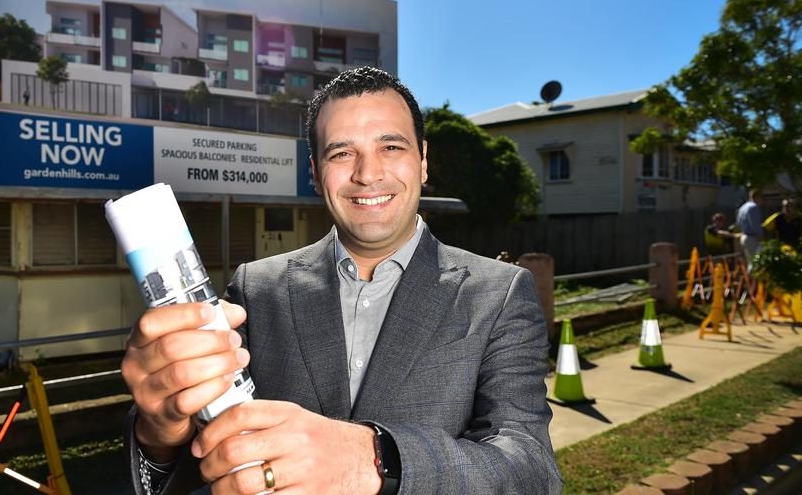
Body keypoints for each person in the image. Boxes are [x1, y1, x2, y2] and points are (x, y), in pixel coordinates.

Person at [121, 67, 562, 494]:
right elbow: (206, 465)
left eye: (391, 147)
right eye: (341, 152)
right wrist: (161, 428)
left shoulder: (501, 292)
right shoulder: (256, 289)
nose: (367, 174)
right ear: (314, 171)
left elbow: (530, 471)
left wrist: (371, 460)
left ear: (423, 161)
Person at [736, 189, 764, 270]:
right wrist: (761, 239)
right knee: (756, 263)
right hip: (752, 238)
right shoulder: (753, 207)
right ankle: (754, 282)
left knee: (749, 262)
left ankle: (750, 281)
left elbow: (738, 222)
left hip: (744, 236)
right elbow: (755, 225)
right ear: (757, 197)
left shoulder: (743, 207)